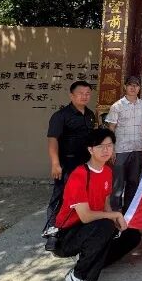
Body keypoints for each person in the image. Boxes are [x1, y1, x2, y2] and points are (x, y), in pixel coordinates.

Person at [54, 128, 141, 281]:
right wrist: (113, 216)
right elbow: (85, 216)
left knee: (132, 236)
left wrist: (117, 224)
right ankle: (78, 275)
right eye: (100, 146)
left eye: (109, 145)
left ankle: (92, 260)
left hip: (90, 228)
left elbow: (106, 205)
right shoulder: (79, 175)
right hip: (67, 236)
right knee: (105, 225)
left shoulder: (107, 172)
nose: (106, 150)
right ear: (90, 149)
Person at [43, 81, 96, 238]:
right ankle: (52, 229)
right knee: (61, 195)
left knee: (83, 195)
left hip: (85, 163)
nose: (84, 96)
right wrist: (55, 164)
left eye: (87, 93)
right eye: (80, 93)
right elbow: (53, 140)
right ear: (71, 95)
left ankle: (75, 225)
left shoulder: (90, 115)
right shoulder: (61, 116)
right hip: (67, 162)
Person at [105, 76, 142, 213]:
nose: (133, 88)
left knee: (133, 181)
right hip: (121, 149)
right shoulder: (117, 106)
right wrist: (111, 148)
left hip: (137, 148)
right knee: (118, 183)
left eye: (136, 85)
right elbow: (111, 128)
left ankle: (129, 210)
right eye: (130, 85)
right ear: (125, 86)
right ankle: (115, 211)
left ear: (139, 88)